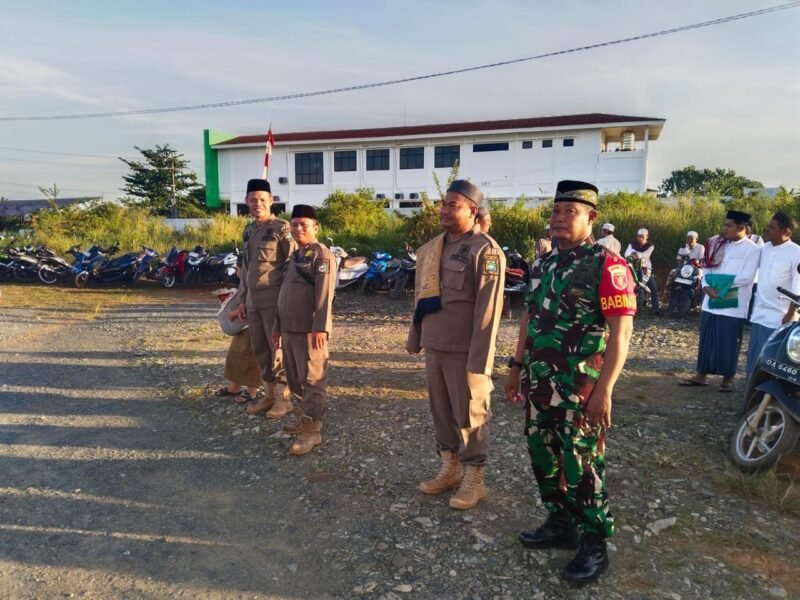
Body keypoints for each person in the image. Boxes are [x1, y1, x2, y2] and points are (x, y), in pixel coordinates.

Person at [504, 180, 635, 584]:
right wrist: (515, 366)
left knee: (582, 465)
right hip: (540, 383)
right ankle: (561, 523)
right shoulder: (544, 264)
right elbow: (529, 317)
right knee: (543, 457)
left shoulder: (607, 265)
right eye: (556, 211)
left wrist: (605, 390)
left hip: (581, 389)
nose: (559, 218)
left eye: (570, 212)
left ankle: (594, 542)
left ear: (591, 218)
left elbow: (621, 333)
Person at [407, 179, 505, 510]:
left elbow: (488, 310)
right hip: (436, 345)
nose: (445, 210)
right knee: (442, 411)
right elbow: (421, 295)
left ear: (472, 211)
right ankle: (450, 468)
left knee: (471, 414)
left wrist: (481, 360)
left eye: (453, 205)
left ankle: (474, 479)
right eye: (444, 204)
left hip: (465, 350)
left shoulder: (485, 250)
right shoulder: (434, 247)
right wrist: (416, 335)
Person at [272, 205, 336, 455]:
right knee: (296, 378)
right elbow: (283, 294)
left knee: (312, 380)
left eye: (304, 225)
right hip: (289, 328)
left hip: (310, 331)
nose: (298, 229)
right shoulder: (294, 256)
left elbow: (324, 295)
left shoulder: (321, 255)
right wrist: (277, 326)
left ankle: (313, 431)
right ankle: (304, 420)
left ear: (315, 228)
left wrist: (320, 327)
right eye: (294, 224)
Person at [233, 179, 297, 418]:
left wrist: (286, 301)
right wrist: (242, 300)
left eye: (262, 199)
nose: (257, 204)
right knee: (260, 349)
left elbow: (291, 267)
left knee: (277, 349)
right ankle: (268, 395)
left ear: (271, 201)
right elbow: (246, 269)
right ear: (246, 201)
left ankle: (283, 399)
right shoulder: (248, 230)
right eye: (252, 200)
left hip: (274, 300)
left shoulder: (282, 229)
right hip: (253, 301)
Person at [681, 210, 760, 392]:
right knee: (707, 338)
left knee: (729, 340)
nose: (724, 228)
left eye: (728, 225)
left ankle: (727, 378)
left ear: (740, 227)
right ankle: (701, 374)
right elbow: (706, 267)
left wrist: (718, 286)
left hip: (733, 301)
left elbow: (747, 277)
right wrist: (706, 286)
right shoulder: (716, 243)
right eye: (724, 225)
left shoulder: (753, 249)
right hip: (711, 298)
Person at [745, 212, 800, 377]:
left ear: (785, 231)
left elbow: (798, 286)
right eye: (768, 226)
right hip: (759, 312)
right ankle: (751, 386)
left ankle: (767, 388)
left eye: (772, 227)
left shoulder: (796, 252)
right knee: (755, 354)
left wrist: (791, 313)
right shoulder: (765, 249)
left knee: (772, 357)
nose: (767, 230)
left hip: (779, 315)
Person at [214, 287, 262, 404]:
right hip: (244, 324)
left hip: (256, 319)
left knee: (251, 357)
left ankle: (252, 391)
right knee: (236, 354)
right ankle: (234, 387)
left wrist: (234, 313)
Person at [624, 228, 661, 314]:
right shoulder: (632, 244)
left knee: (653, 288)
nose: (640, 238)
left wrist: (634, 254)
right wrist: (633, 255)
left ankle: (655, 309)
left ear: (647, 237)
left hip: (645, 268)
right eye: (639, 236)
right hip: (631, 268)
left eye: (642, 237)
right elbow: (626, 254)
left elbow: (645, 255)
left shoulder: (650, 246)